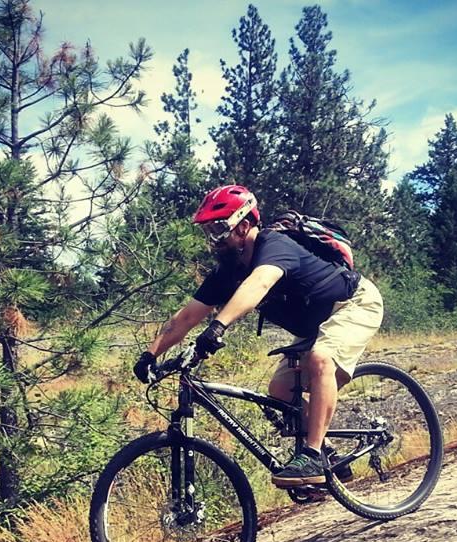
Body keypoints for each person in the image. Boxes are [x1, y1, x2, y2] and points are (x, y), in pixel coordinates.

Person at [133, 184, 383, 487]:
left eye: (219, 228)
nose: (213, 239)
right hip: (316, 327)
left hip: (354, 303)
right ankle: (330, 457)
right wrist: (150, 355)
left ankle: (313, 455)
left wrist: (218, 326)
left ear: (245, 224)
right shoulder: (227, 271)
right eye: (208, 230)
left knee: (321, 359)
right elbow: (186, 317)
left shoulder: (274, 245)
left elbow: (260, 284)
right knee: (278, 391)